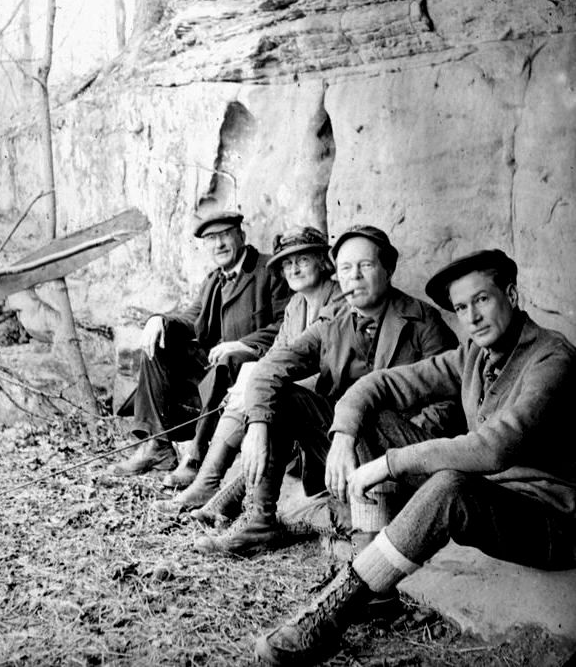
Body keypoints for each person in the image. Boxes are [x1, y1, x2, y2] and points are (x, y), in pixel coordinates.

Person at [254, 249, 576, 666]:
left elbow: (494, 448)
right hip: (490, 495)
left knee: (449, 484)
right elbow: (379, 384)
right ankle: (374, 577)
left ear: (511, 295)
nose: (472, 317)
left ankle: (338, 609)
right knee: (374, 419)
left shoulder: (551, 358)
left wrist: (390, 463)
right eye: (461, 308)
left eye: (482, 300)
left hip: (550, 520)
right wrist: (343, 434)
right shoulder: (474, 355)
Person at [195, 224, 459, 556]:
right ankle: (262, 523)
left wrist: (397, 452)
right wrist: (258, 426)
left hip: (405, 455)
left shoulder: (422, 321)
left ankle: (368, 520)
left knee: (370, 410)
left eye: (366, 266)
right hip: (342, 450)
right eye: (346, 268)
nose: (355, 277)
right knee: (283, 396)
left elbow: (451, 400)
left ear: (389, 269)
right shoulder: (333, 320)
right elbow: (270, 368)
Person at [154, 226, 340, 518]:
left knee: (259, 383)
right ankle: (210, 487)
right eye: (287, 263)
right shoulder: (296, 305)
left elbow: (318, 366)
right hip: (293, 402)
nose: (293, 269)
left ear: (322, 261)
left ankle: (210, 486)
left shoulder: (339, 301)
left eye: (302, 260)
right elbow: (277, 354)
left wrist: (257, 383)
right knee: (252, 378)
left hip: (326, 412)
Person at [108, 210, 290, 479]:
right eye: (211, 239)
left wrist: (242, 344)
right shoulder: (214, 280)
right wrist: (160, 320)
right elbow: (193, 318)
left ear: (241, 235)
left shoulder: (268, 270)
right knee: (158, 344)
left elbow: (286, 323)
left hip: (251, 367)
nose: (219, 244)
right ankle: (158, 444)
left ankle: (196, 457)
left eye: (225, 235)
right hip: (215, 368)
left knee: (225, 362)